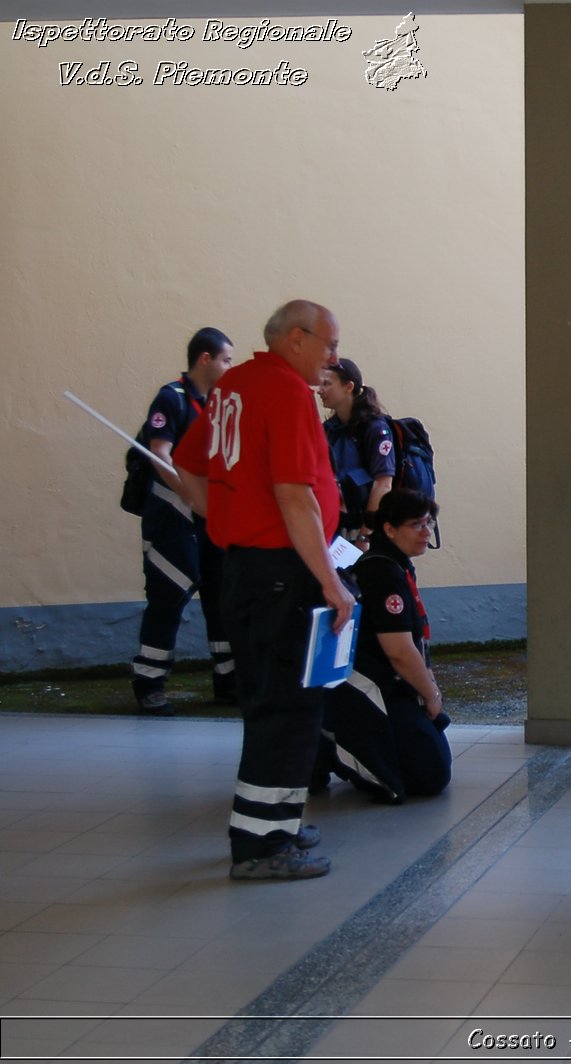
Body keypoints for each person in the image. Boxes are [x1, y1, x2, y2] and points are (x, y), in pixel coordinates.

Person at [174, 299, 354, 882]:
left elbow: (187, 463)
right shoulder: (282, 391)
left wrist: (223, 522)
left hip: (245, 567)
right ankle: (259, 845)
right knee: (289, 705)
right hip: (284, 572)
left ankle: (272, 820)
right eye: (328, 344)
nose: (333, 358)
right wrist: (331, 583)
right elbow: (294, 494)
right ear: (296, 339)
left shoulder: (234, 385)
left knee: (264, 700)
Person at [317, 489, 452, 803]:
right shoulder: (381, 571)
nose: (426, 532)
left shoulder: (395, 563)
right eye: (416, 525)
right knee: (428, 777)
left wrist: (428, 687)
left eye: (429, 524)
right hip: (370, 683)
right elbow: (400, 651)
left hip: (390, 681)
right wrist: (430, 696)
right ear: (389, 529)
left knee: (433, 762)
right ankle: (328, 745)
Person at [129, 327, 236, 714]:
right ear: (204, 359)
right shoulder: (171, 399)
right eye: (226, 359)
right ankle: (149, 682)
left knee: (222, 594)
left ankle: (228, 679)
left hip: (212, 519)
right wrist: (193, 497)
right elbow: (161, 455)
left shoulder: (221, 405)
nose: (230, 367)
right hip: (173, 515)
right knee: (169, 596)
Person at [318, 358, 395, 548]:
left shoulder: (375, 429)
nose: (320, 390)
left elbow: (383, 484)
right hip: (337, 529)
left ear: (348, 387)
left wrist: (365, 535)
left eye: (327, 383)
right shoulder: (328, 430)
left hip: (368, 533)